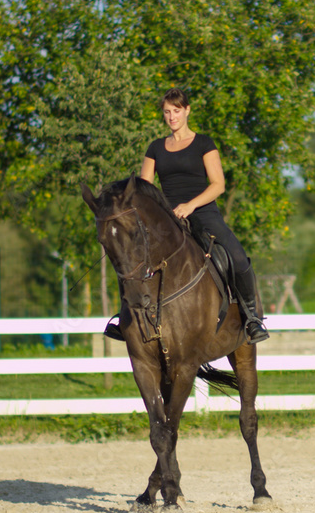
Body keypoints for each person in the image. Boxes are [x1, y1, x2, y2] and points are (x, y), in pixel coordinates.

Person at [105, 88, 269, 344]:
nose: (172, 117)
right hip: (167, 217)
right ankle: (125, 318)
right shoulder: (156, 147)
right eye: (167, 112)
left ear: (187, 110)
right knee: (132, 255)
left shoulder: (204, 143)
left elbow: (218, 185)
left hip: (202, 211)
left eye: (176, 111)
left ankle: (251, 318)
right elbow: (145, 188)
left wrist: (190, 206)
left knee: (237, 256)